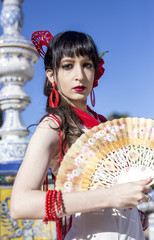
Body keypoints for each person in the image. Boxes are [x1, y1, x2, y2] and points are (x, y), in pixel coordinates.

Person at [10, 30, 152, 240]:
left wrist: (131, 205)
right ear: (52, 75)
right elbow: (20, 204)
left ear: (95, 71)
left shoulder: (103, 125)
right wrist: (110, 196)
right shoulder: (53, 127)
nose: (80, 75)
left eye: (87, 64)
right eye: (68, 66)